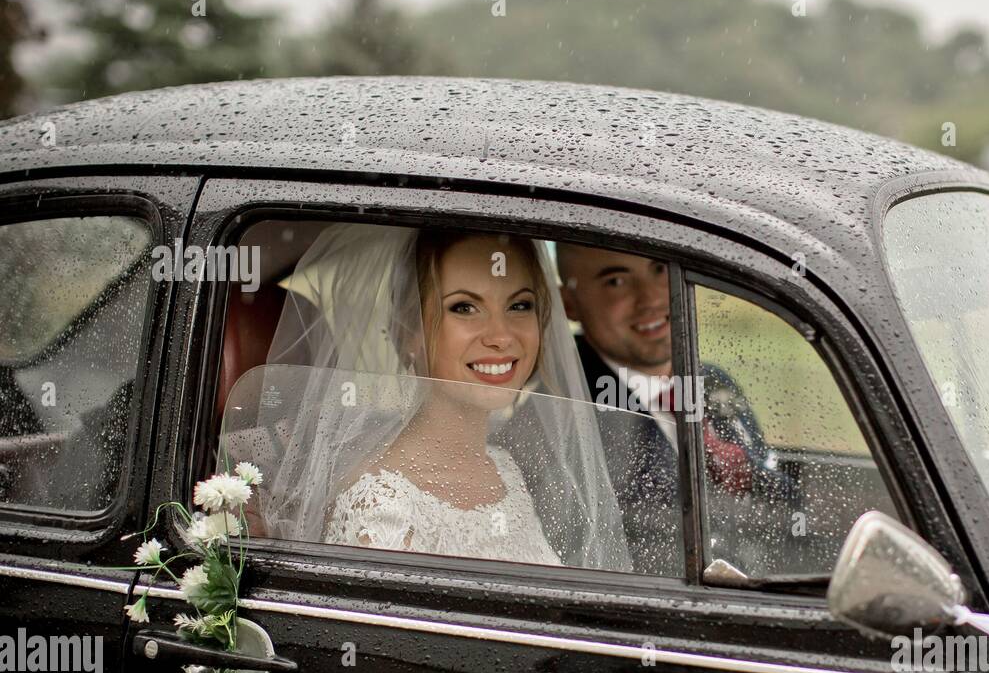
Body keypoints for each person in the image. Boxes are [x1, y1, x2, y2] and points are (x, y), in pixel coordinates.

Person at [220, 223, 632, 572]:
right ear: (409, 333)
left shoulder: (505, 469)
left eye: (519, 305)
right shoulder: (382, 505)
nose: (501, 336)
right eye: (464, 308)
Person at [556, 242, 795, 575]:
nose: (652, 298)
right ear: (569, 304)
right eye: (616, 281)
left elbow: (777, 504)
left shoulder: (712, 380)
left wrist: (747, 473)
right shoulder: (564, 410)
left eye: (658, 269)